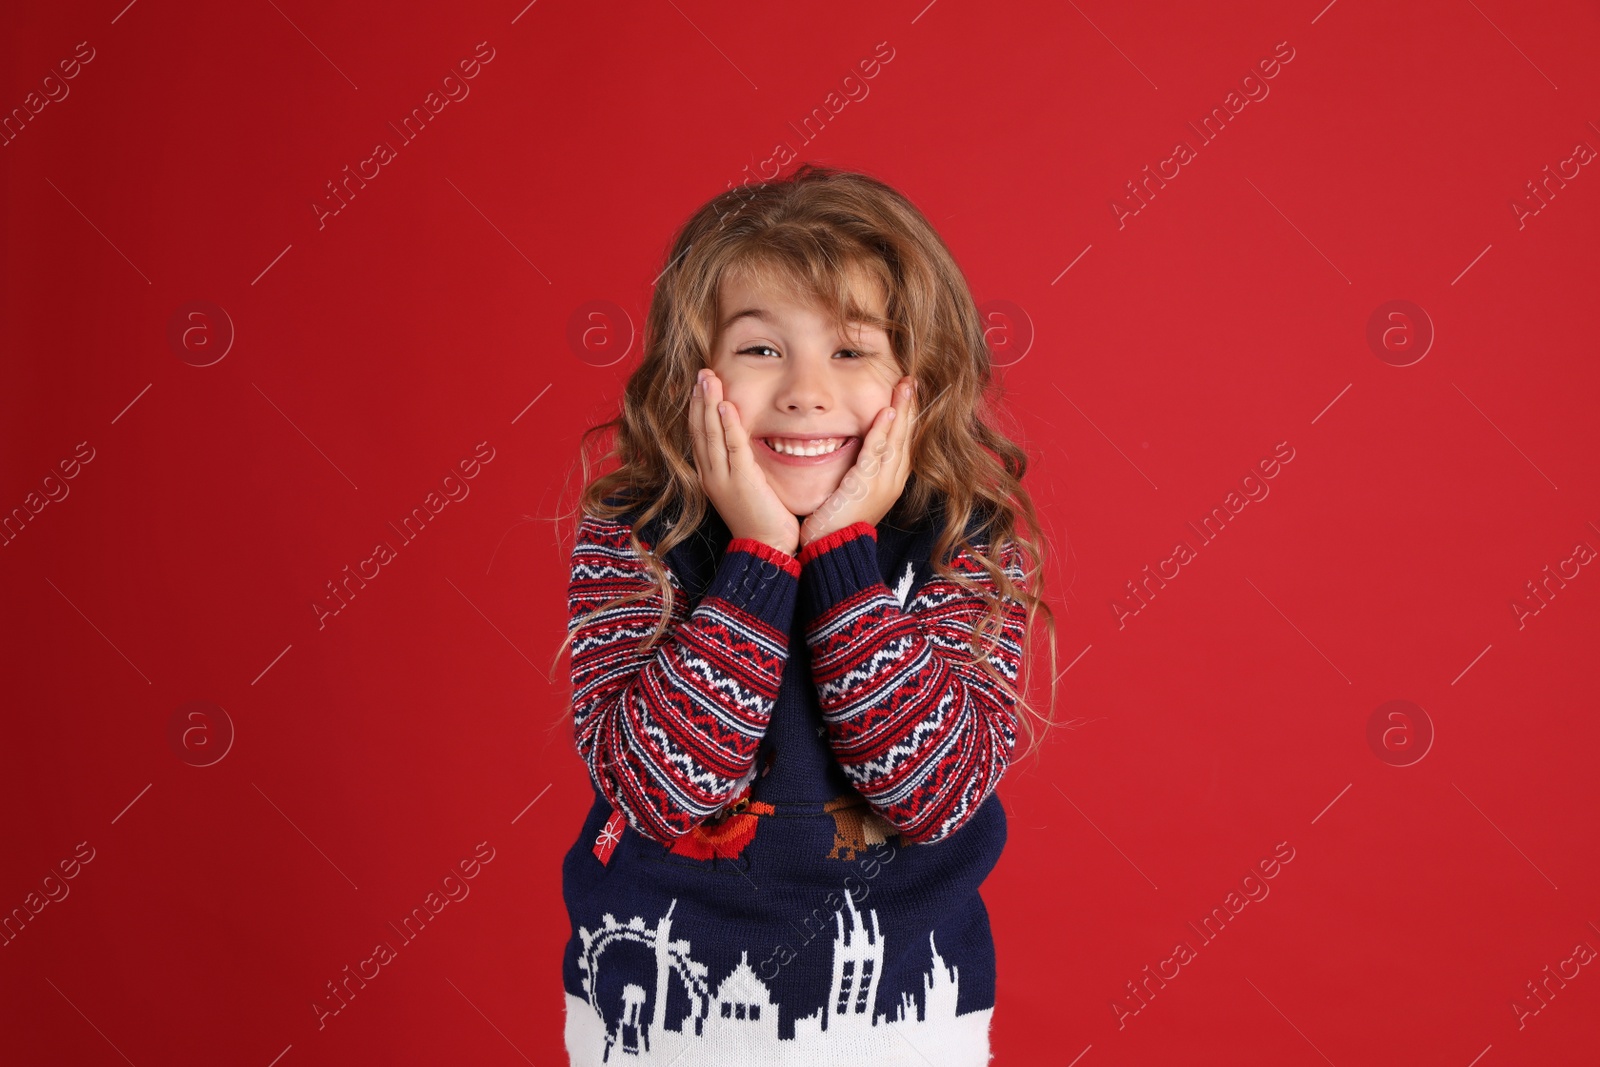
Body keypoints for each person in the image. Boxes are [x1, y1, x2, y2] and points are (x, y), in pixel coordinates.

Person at [547, 163, 1062, 1064]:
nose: (805, 392)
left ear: (919, 378)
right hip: (662, 1029)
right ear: (692, 371)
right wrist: (754, 559)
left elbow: (932, 791)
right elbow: (661, 791)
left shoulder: (963, 547)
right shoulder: (635, 539)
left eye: (851, 351)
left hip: (904, 1027)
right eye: (761, 348)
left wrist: (841, 558)